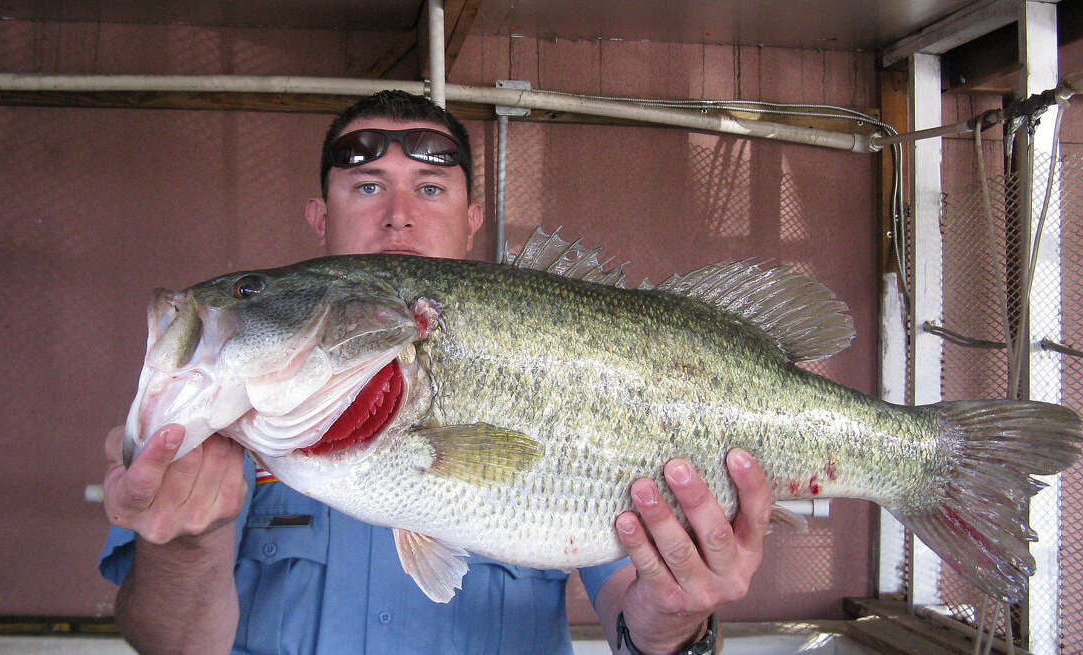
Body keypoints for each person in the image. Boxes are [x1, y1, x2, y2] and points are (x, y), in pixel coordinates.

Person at [100, 90, 773, 655]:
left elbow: (636, 610)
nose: (400, 214)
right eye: (367, 187)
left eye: (430, 187)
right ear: (319, 216)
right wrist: (188, 545)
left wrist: (677, 619)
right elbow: (168, 642)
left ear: (473, 220)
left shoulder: (563, 358)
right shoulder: (226, 418)